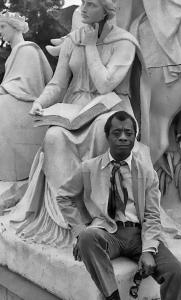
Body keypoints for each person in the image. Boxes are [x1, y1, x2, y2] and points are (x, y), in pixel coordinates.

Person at [3, 0, 149, 246]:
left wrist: (90, 46)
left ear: (106, 10)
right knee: (53, 137)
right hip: (76, 108)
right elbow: (58, 83)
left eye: (91, 4)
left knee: (106, 131)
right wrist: (40, 101)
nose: (82, 9)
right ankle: (73, 218)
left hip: (111, 108)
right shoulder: (73, 40)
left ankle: (105, 217)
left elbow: (105, 84)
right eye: (82, 3)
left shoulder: (124, 42)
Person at [56, 111, 181, 300]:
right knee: (86, 237)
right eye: (117, 133)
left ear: (135, 137)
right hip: (108, 233)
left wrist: (148, 251)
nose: (123, 137)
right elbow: (64, 196)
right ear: (107, 136)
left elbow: (152, 214)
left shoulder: (147, 172)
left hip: (139, 236)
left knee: (177, 273)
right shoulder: (89, 167)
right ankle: (113, 297)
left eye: (128, 133)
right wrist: (80, 228)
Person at [0, 11, 52, 181]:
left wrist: (4, 89)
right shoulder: (16, 51)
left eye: (2, 26)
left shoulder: (28, 50)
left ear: (15, 27)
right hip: (15, 99)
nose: (1, 31)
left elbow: (28, 85)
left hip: (28, 103)